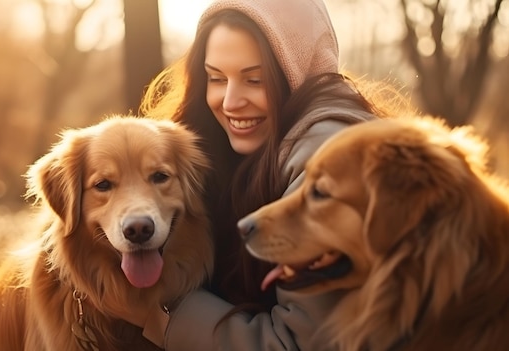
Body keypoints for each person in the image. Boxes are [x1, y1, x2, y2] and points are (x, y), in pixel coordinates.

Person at [121, 0, 412, 349]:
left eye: (254, 79)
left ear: (298, 70)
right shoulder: (252, 147)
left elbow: (296, 344)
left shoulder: (324, 168)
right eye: (215, 78)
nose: (230, 101)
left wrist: (161, 313)